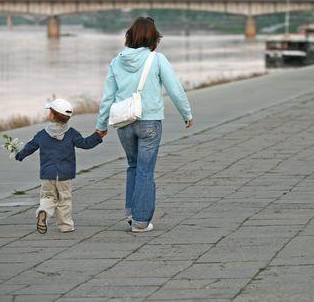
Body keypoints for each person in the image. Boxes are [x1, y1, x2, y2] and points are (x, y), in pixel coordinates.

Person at [96, 17, 193, 233]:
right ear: (154, 39)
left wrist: (101, 125)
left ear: (130, 36)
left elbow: (107, 97)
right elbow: (175, 89)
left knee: (133, 166)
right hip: (149, 121)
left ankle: (132, 212)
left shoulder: (116, 62)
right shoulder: (157, 59)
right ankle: (140, 221)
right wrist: (186, 113)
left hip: (124, 122)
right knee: (145, 171)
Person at [15, 99, 104, 234]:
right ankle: (66, 225)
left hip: (47, 174)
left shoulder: (42, 134)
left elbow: (30, 147)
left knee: (47, 196)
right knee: (64, 199)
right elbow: (85, 144)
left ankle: (44, 211)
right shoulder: (72, 133)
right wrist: (97, 135)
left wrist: (19, 155)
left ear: (52, 115)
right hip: (64, 174)